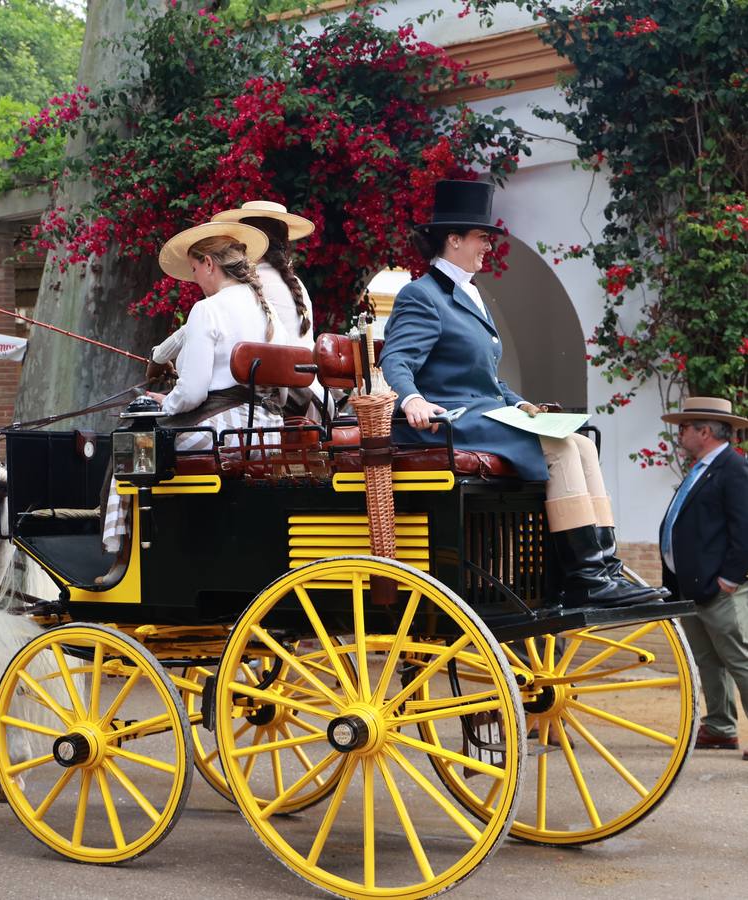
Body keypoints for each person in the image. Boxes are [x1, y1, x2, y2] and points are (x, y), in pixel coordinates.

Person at [380, 179, 663, 608]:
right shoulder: (421, 295)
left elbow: (487, 381)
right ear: (453, 240)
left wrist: (519, 403)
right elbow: (396, 360)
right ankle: (587, 579)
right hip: (445, 423)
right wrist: (412, 399)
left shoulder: (470, 295)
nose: (488, 247)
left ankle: (602, 569)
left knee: (582, 444)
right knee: (561, 449)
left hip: (483, 415)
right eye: (481, 238)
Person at [102, 221, 288, 554]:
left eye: (194, 269)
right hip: (268, 430)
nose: (196, 279)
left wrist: (164, 405)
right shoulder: (267, 310)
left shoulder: (207, 310)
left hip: (224, 433)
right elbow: (282, 389)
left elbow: (193, 393)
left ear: (209, 264)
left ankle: (119, 549)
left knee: (130, 443)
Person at [147, 200, 323, 415]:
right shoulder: (294, 284)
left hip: (288, 405)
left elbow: (199, 330)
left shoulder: (247, 290)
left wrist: (160, 357)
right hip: (307, 400)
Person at [658, 396, 748, 755]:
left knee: (739, 659)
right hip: (691, 586)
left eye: (685, 428)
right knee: (707, 659)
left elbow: (745, 529)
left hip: (720, 588)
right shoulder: (702, 468)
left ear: (705, 431)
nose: (679, 434)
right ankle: (721, 726)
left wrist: (730, 577)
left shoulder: (733, 469)